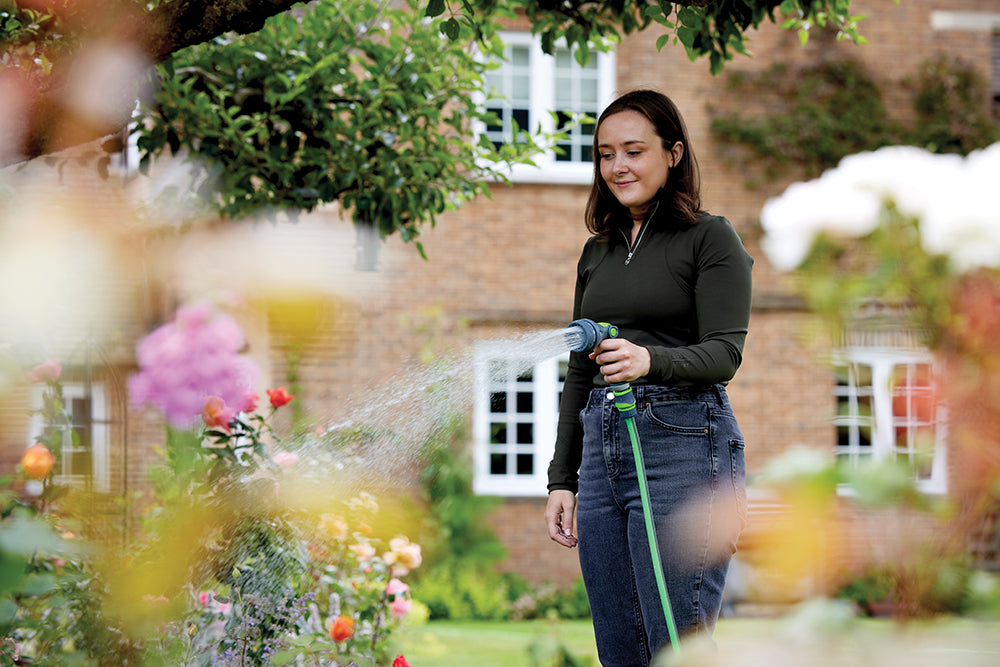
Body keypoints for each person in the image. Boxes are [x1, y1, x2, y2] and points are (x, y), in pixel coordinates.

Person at [544, 89, 753, 666]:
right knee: (620, 650)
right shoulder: (598, 251)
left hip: (685, 443)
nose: (618, 166)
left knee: (676, 646)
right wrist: (563, 477)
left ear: (674, 153)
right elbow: (578, 372)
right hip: (602, 447)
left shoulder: (711, 238)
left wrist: (649, 360)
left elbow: (724, 354)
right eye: (606, 154)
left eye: (634, 151)